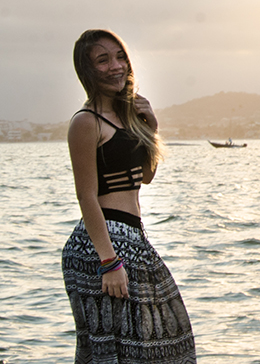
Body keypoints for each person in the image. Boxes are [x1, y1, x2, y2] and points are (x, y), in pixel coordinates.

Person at [62, 29, 196, 363]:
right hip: (101, 246)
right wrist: (109, 261)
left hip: (134, 237)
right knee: (115, 352)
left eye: (120, 56)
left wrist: (151, 127)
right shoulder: (85, 122)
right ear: (86, 70)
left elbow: (144, 178)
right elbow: (87, 195)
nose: (116, 66)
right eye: (103, 60)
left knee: (170, 338)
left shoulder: (127, 116)